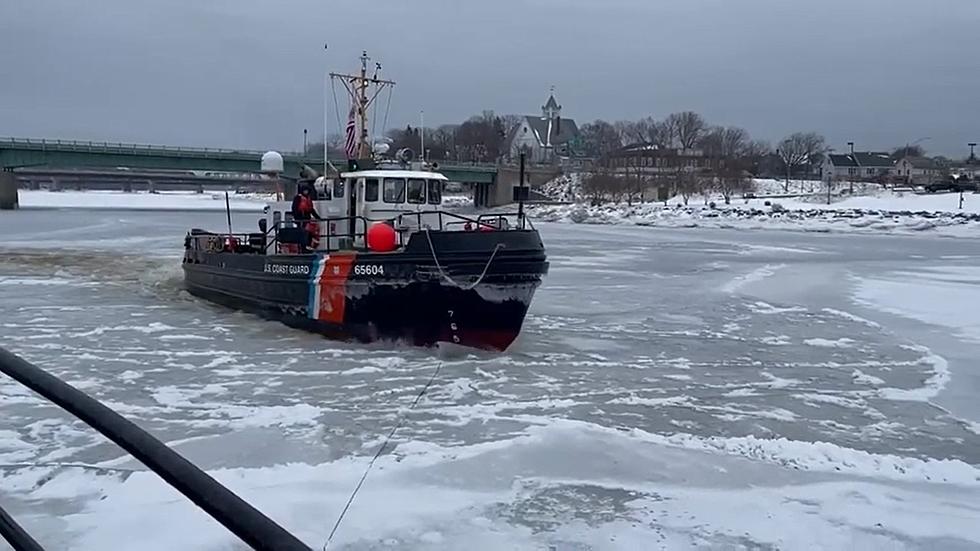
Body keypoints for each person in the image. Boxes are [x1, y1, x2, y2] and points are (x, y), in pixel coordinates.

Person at [291, 183, 322, 251]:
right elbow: (294, 208)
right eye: (305, 190)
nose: (306, 192)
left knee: (309, 232)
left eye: (307, 190)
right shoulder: (298, 198)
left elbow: (311, 209)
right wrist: (296, 218)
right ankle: (302, 248)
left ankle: (307, 246)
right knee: (302, 233)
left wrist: (317, 217)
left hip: (307, 218)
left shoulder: (308, 199)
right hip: (300, 218)